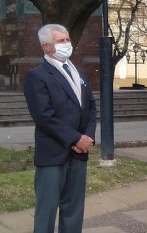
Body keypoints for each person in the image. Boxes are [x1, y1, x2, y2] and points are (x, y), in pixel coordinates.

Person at [23, 24, 97, 233]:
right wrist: (75, 139)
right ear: (46, 46)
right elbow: (43, 117)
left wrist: (87, 138)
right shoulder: (37, 76)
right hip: (53, 154)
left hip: (79, 153)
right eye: (61, 41)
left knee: (74, 209)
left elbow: (90, 107)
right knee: (47, 211)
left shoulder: (80, 73)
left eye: (68, 40)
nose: (67, 44)